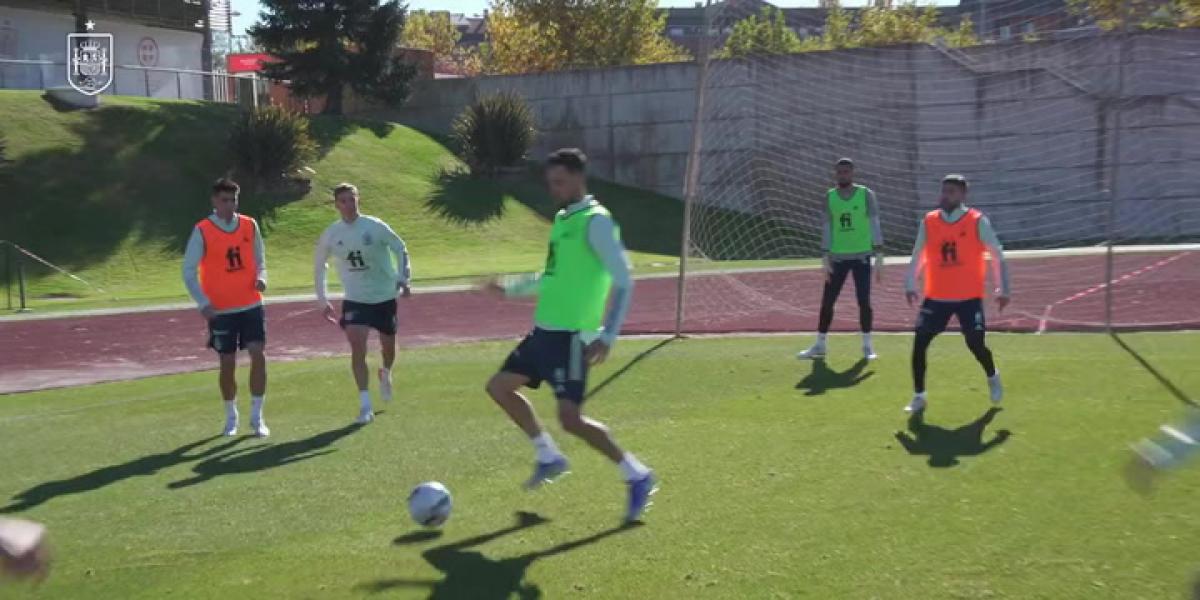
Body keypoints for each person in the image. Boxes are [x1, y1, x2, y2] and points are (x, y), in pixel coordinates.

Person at [482, 148, 656, 523]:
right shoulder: (563, 220)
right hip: (544, 332)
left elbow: (625, 281)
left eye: (560, 182)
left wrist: (608, 336)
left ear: (579, 177)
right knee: (499, 387)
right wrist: (509, 289)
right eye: (551, 183)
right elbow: (553, 276)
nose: (554, 190)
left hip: (573, 339)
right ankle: (548, 455)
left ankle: (637, 474)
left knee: (571, 419)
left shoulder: (597, 222)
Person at [903, 174, 1010, 413]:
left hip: (968, 298)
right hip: (936, 297)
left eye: (951, 191)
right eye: (944, 191)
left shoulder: (977, 221)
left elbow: (996, 253)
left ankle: (992, 375)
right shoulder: (929, 221)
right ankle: (919, 396)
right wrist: (910, 283)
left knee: (975, 343)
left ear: (963, 195)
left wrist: (1004, 288)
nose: (945, 196)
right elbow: (918, 253)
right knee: (920, 343)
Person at [314, 183, 412, 425]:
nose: (349, 204)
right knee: (358, 348)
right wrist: (322, 300)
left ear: (359, 200)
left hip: (384, 296)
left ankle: (386, 372)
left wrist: (403, 277)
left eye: (352, 199)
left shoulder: (374, 226)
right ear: (337, 205)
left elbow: (400, 249)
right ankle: (365, 405)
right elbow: (319, 267)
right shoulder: (331, 234)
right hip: (355, 299)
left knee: (388, 346)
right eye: (344, 201)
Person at [183, 178, 269, 437]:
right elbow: (188, 271)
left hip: (251, 304)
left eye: (233, 200)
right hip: (221, 311)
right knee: (228, 361)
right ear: (214, 201)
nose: (229, 205)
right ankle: (231, 416)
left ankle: (257, 416)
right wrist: (203, 303)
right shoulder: (203, 230)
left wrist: (262, 277)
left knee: (257, 353)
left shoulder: (249, 225)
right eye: (224, 200)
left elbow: (260, 259)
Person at [797, 158, 884, 360]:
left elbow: (874, 223)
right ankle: (820, 344)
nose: (843, 175)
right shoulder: (829, 197)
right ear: (835, 174)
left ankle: (867, 346)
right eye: (840, 172)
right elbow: (827, 227)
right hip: (838, 258)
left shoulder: (866, 194)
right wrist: (824, 255)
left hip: (861, 256)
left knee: (864, 301)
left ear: (852, 173)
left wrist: (879, 252)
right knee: (827, 301)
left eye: (846, 172)